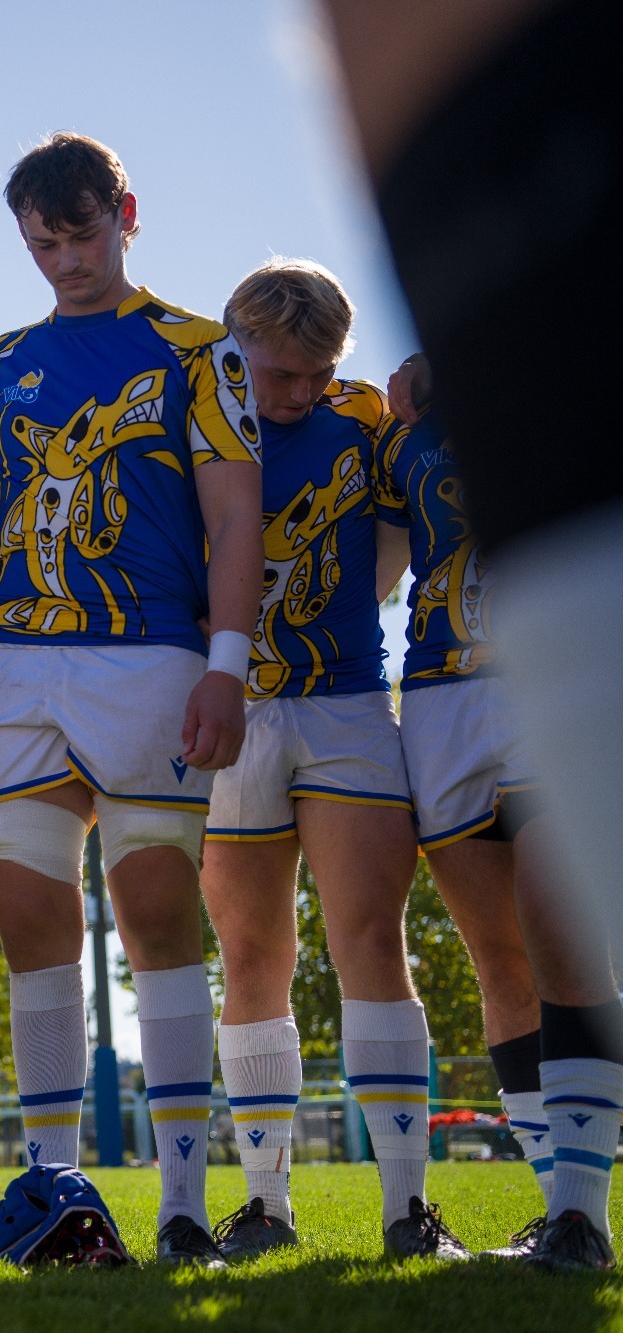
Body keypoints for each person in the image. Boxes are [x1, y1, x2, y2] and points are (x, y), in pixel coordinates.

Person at [0, 133, 262, 1266]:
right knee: (29, 922)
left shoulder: (197, 348)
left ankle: (182, 1205)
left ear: (123, 211)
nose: (63, 260)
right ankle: (58, 1201)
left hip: (149, 656)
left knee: (154, 919)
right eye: (40, 243)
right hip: (15, 666)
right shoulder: (2, 356)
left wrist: (225, 665)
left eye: (79, 233)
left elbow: (235, 516)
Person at [199, 259, 470, 1261]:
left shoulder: (361, 418)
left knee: (368, 935)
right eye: (277, 375)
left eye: (315, 374)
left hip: (349, 700)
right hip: (239, 714)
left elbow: (398, 541)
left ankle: (407, 1209)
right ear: (233, 346)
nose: (297, 394)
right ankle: (265, 1205)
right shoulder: (190, 419)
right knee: (252, 953)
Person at [378, 352, 614, 1270]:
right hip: (437, 694)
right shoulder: (399, 433)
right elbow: (373, 569)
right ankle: (562, 1213)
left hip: (550, 673)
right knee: (499, 958)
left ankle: (584, 1218)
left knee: (564, 927)